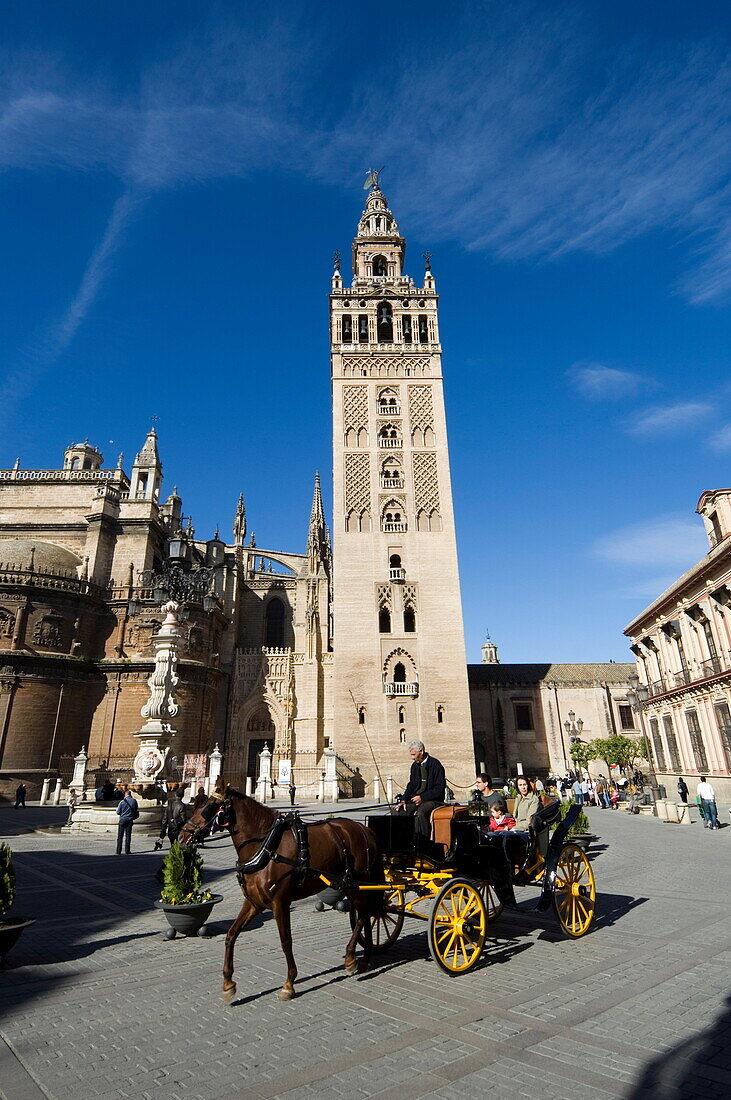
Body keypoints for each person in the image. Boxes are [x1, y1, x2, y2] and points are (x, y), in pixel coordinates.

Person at [393, 739, 446, 837]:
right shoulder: (415, 766)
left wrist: (423, 797)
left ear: (421, 752)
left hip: (433, 800)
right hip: (417, 799)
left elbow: (439, 788)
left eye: (413, 754)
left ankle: (423, 841)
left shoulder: (435, 765)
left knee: (420, 813)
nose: (412, 758)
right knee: (397, 811)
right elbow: (412, 784)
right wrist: (404, 799)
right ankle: (403, 840)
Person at [115, 785, 139, 854]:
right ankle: (127, 850)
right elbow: (136, 809)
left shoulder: (122, 802)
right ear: (130, 795)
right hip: (130, 820)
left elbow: (118, 812)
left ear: (125, 795)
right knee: (128, 836)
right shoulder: (134, 801)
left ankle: (118, 851)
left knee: (120, 836)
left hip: (122, 820)